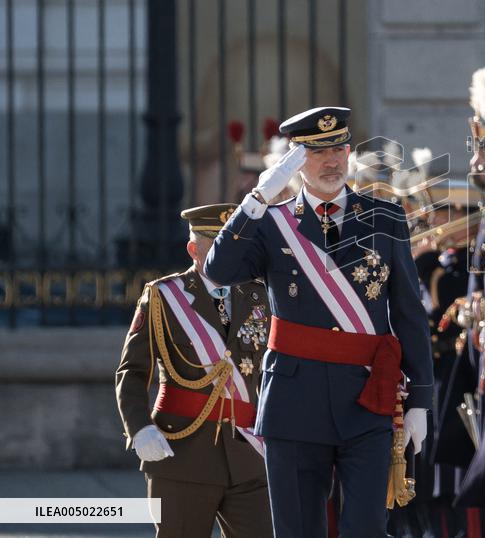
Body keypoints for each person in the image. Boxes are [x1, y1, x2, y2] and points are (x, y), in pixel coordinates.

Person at [203, 106, 433, 538]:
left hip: (368, 399)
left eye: (340, 148)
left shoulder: (384, 218)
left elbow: (408, 314)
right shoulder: (271, 224)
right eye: (318, 151)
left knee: (366, 527)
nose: (332, 160)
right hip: (294, 400)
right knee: (298, 529)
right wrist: (256, 200)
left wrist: (420, 399)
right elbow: (218, 271)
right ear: (294, 161)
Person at [115, 203, 272, 538]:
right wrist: (140, 428)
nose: (227, 254)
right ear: (193, 248)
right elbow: (131, 370)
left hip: (248, 455)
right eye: (216, 245)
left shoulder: (259, 296)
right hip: (182, 453)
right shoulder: (163, 297)